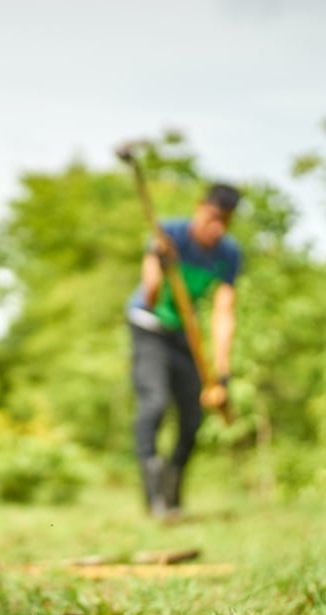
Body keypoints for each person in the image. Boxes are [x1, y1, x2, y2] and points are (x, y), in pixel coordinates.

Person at [125, 183, 242, 519]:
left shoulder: (228, 254)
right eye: (213, 218)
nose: (217, 228)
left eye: (226, 221)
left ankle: (172, 492)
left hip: (184, 335)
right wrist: (160, 265)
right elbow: (149, 294)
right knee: (154, 403)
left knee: (192, 418)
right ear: (199, 207)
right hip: (148, 325)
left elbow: (224, 313)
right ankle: (154, 498)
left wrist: (220, 373)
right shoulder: (169, 234)